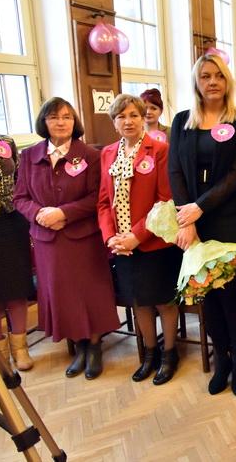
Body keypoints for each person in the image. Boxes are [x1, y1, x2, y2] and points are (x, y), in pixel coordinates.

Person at [168, 54, 236, 396]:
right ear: (196, 82)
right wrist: (186, 218)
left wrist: (199, 207)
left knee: (231, 295)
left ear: (227, 80)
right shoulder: (182, 121)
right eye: (205, 76)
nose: (212, 82)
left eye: (218, 76)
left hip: (231, 218)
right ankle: (222, 359)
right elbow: (175, 170)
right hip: (194, 222)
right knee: (206, 296)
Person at [13, 97, 120, 379]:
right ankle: (79, 346)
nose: (61, 122)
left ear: (75, 121)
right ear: (44, 122)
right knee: (63, 295)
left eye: (67, 117)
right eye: (54, 117)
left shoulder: (90, 155)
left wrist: (64, 213)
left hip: (83, 237)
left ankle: (94, 346)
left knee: (90, 292)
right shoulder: (29, 156)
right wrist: (39, 214)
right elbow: (20, 197)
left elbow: (98, 197)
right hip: (47, 240)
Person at [98, 94, 182, 384]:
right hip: (121, 246)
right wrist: (111, 237)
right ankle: (150, 353)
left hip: (154, 242)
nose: (128, 121)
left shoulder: (159, 150)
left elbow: (165, 201)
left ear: (143, 117)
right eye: (121, 116)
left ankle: (169, 353)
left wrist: (136, 236)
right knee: (139, 303)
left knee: (163, 302)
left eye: (134, 115)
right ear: (114, 123)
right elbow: (103, 202)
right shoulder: (108, 153)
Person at [0, 134, 34, 371]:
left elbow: (21, 180)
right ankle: (0, 357)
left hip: (12, 221)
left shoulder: (5, 142)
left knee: (17, 287)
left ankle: (21, 349)